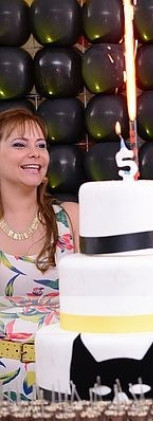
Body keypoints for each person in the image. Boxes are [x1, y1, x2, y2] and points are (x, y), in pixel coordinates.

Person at [0, 108, 79, 401]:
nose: (35, 153)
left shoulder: (72, 218)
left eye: (41, 145)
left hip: (65, 374)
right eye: (20, 144)